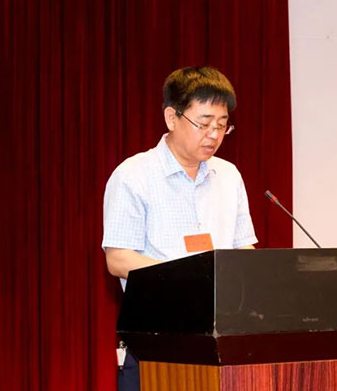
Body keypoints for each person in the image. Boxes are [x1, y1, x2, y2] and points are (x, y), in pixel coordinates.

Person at [101, 66, 258, 391]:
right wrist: (188, 280)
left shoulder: (229, 176)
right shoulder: (133, 176)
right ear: (172, 118)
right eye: (204, 123)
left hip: (222, 343)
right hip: (158, 342)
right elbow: (118, 259)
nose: (214, 134)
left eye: (222, 125)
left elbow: (243, 249)